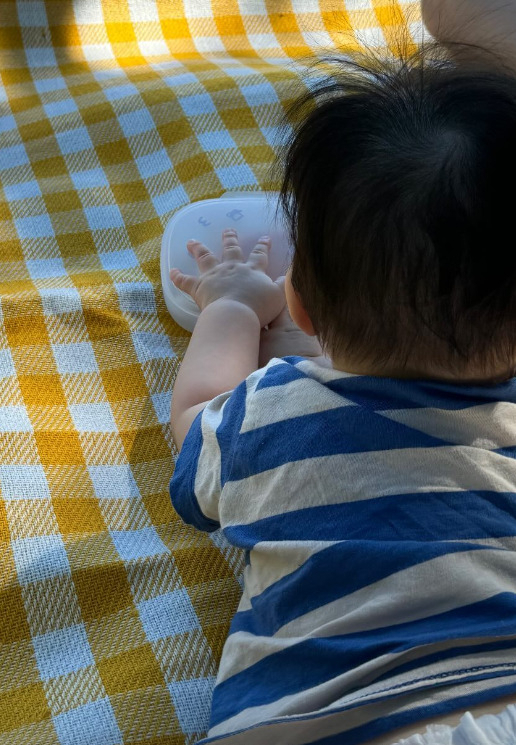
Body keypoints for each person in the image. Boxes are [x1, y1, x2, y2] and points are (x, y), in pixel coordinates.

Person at [167, 3, 516, 744]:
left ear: (298, 297)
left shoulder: (267, 417)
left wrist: (230, 308)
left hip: (324, 718)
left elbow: (196, 417)